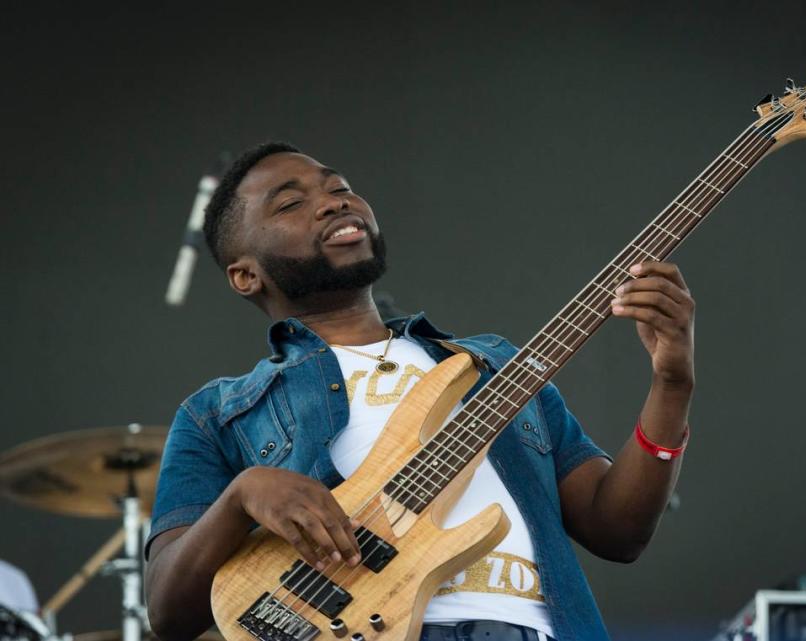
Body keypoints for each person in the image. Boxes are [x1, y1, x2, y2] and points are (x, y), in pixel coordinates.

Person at [144, 142, 696, 641]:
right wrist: (244, 495)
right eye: (290, 204)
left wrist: (671, 384)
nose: (334, 202)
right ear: (245, 275)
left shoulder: (494, 363)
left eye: (340, 188)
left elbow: (619, 532)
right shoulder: (216, 413)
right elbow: (168, 611)